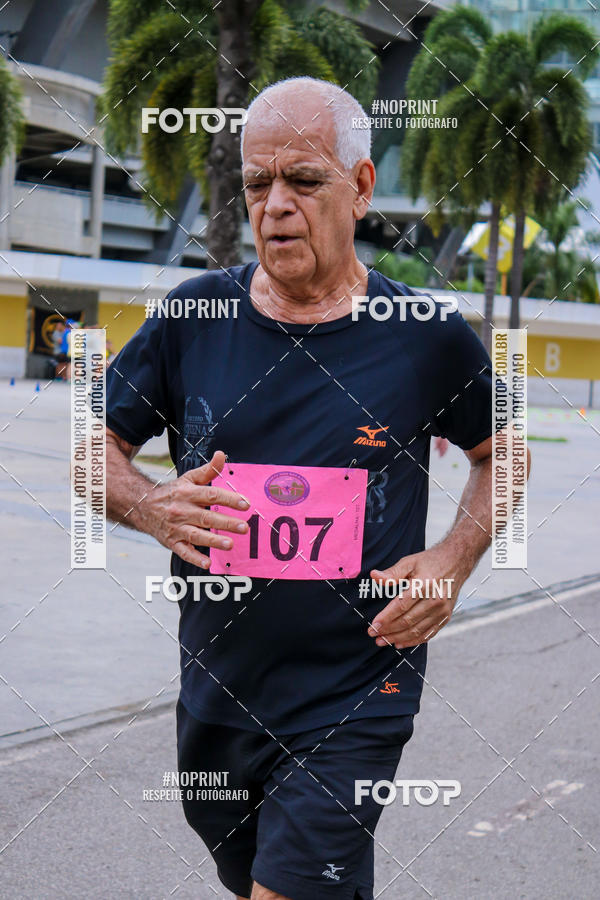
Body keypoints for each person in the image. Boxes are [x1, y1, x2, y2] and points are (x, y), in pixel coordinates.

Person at [104, 77, 529, 900]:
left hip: (359, 688)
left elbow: (504, 448)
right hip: (220, 691)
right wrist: (145, 503)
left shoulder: (426, 336)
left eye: (303, 181)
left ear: (361, 187)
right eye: (258, 183)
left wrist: (454, 555)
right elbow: (96, 445)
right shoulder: (193, 318)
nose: (275, 207)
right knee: (268, 875)